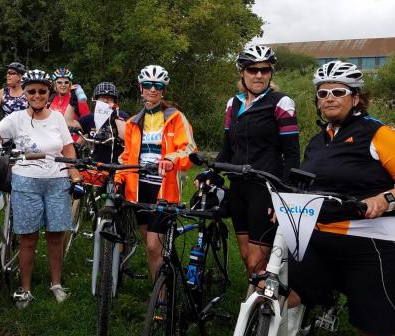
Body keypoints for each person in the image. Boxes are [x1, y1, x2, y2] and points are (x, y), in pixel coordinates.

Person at [288, 61, 395, 335]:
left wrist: (385, 199)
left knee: (374, 325)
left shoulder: (377, 133)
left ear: (356, 97)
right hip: (317, 236)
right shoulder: (317, 141)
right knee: (282, 291)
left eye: (338, 92)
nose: (329, 98)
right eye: (323, 94)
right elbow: (304, 185)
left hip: (368, 240)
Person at [0, 69, 82, 308]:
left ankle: (56, 284)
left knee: (55, 236)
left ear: (48, 93)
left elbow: (68, 148)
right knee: (28, 238)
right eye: (32, 91)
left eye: (42, 91)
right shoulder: (16, 118)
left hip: (56, 181)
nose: (37, 95)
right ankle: (25, 288)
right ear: (26, 94)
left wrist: (74, 174)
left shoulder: (57, 118)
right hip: (26, 182)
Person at [210, 45, 300, 275]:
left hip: (265, 187)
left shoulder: (280, 103)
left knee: (256, 263)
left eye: (265, 69)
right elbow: (227, 147)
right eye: (252, 69)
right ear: (242, 72)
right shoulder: (234, 104)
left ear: (271, 72)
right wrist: (211, 174)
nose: (259, 75)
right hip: (238, 187)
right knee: (246, 257)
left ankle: (267, 305)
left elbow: (291, 154)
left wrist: (284, 195)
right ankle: (263, 302)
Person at [117, 65, 197, 278]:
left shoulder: (176, 117)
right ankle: (158, 293)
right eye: (148, 85)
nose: (153, 89)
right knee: (151, 245)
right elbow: (126, 156)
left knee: (154, 245)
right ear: (140, 88)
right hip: (138, 188)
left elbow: (189, 150)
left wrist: (171, 159)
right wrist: (118, 177)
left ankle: (161, 303)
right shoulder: (132, 122)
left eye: (158, 85)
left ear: (163, 89)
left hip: (164, 188)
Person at [77, 81, 128, 164]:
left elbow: (123, 136)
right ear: (96, 99)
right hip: (94, 165)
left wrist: (116, 113)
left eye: (109, 98)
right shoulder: (90, 117)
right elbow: (69, 123)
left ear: (114, 101)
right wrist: (72, 102)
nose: (105, 100)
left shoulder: (121, 115)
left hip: (115, 166)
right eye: (102, 97)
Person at [0, 62, 29, 128]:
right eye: (7, 73)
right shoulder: (2, 92)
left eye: (11, 73)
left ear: (20, 76)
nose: (7, 75)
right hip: (7, 133)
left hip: (25, 133)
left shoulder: (28, 92)